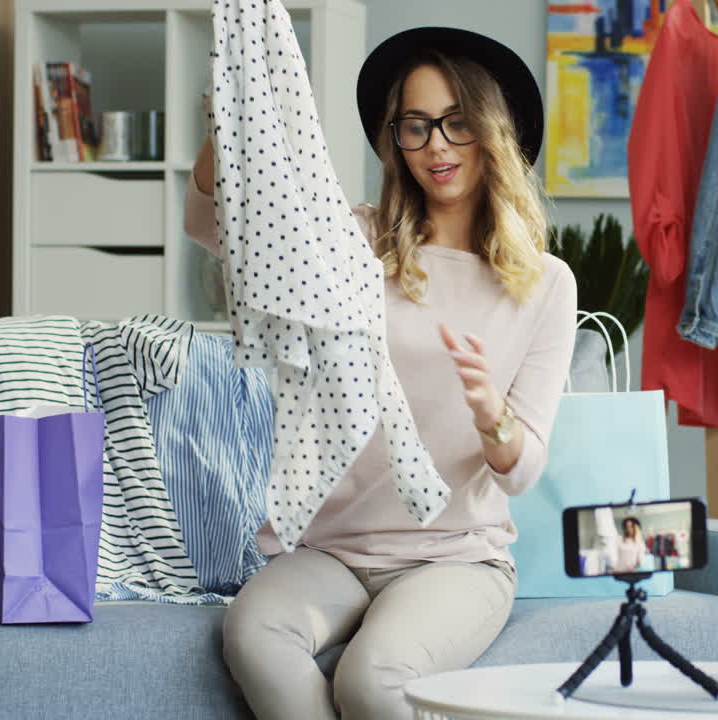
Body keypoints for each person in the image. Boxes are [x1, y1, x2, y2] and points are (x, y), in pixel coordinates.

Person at [183, 25, 577, 720]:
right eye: (415, 126)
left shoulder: (544, 283)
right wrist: (236, 113)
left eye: (457, 123)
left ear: (492, 130)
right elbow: (220, 225)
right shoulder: (355, 243)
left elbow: (521, 469)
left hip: (455, 558)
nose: (436, 146)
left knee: (373, 679)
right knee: (253, 634)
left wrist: (493, 417)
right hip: (331, 549)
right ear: (394, 140)